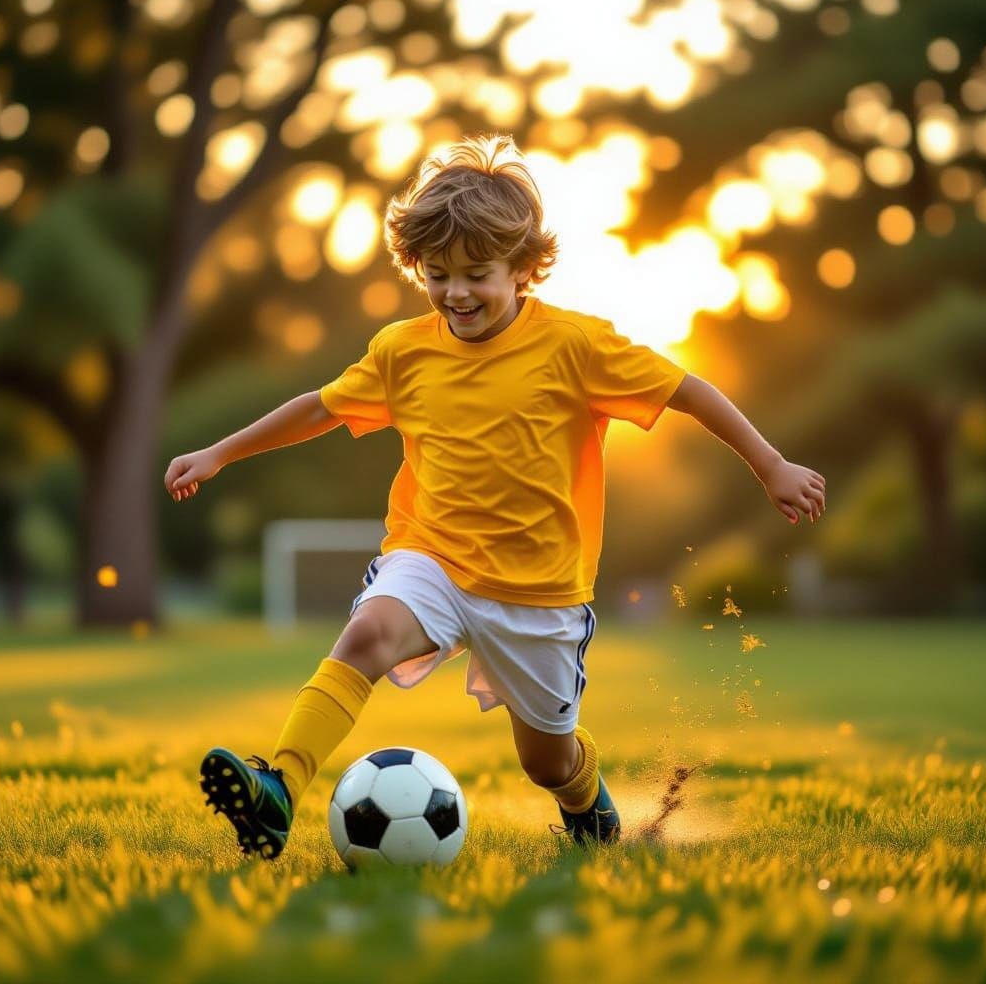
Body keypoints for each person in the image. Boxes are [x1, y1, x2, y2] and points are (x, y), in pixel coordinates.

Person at [164, 134, 826, 860]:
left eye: (476, 273)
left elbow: (686, 389)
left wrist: (770, 465)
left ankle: (584, 798)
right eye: (437, 274)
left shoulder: (574, 346)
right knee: (366, 636)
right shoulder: (403, 350)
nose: (455, 293)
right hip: (432, 558)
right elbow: (320, 407)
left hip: (539, 594)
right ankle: (278, 791)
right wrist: (221, 451)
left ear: (524, 268)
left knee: (545, 760)